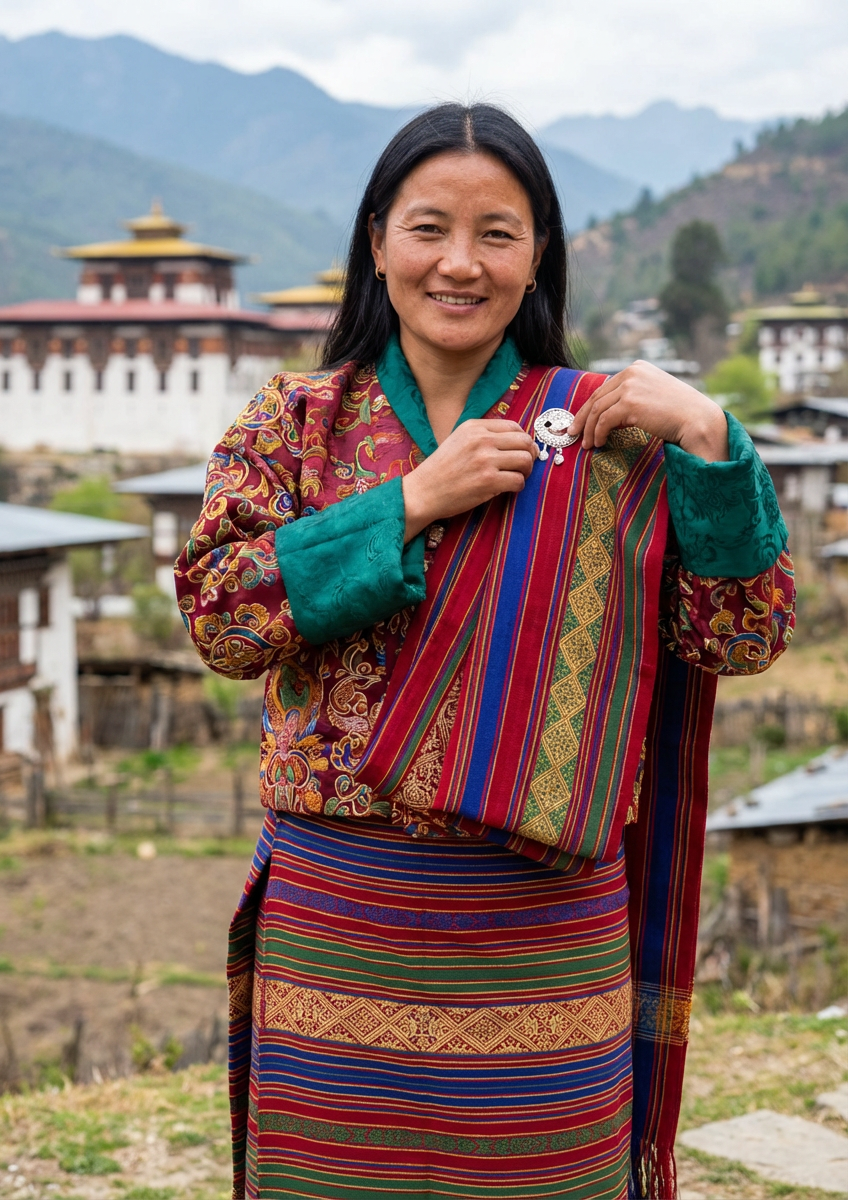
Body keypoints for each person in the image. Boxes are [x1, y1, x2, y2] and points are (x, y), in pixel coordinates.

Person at [175, 103, 794, 1200]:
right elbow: (222, 616)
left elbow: (735, 632)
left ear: (537, 254)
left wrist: (710, 443)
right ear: (376, 243)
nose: (458, 264)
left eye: (496, 233)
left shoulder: (609, 429)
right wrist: (409, 504)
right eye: (427, 228)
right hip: (340, 918)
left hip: (541, 935)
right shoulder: (298, 421)